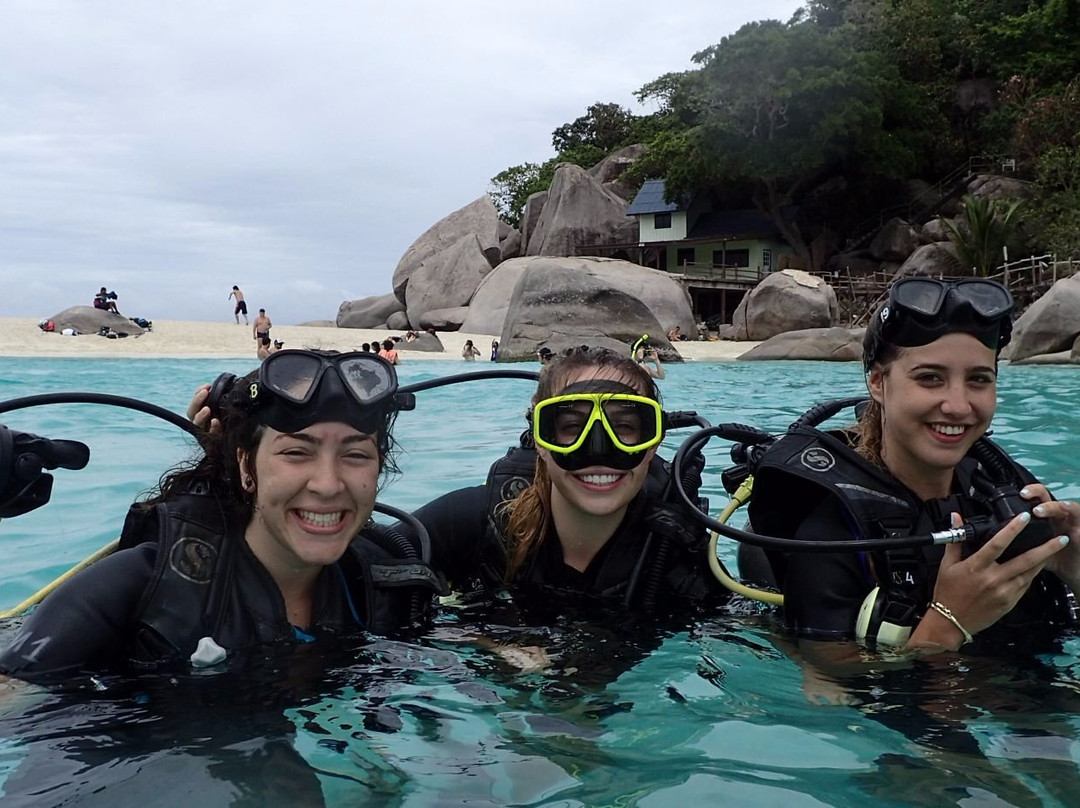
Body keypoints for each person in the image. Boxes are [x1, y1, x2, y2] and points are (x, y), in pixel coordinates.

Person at [0, 350, 442, 679]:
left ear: (379, 469)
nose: (327, 484)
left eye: (355, 455)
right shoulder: (138, 591)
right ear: (246, 465)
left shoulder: (390, 589)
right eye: (295, 452)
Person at [746, 277, 1080, 654]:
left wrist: (1075, 571)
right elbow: (828, 689)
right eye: (930, 378)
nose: (958, 405)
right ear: (877, 382)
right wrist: (949, 623)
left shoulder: (1004, 485)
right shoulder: (834, 530)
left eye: (978, 380)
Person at [408, 346, 727, 609]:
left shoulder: (676, 554)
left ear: (654, 440)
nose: (599, 451)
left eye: (626, 428)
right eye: (572, 428)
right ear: (539, 440)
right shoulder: (478, 521)